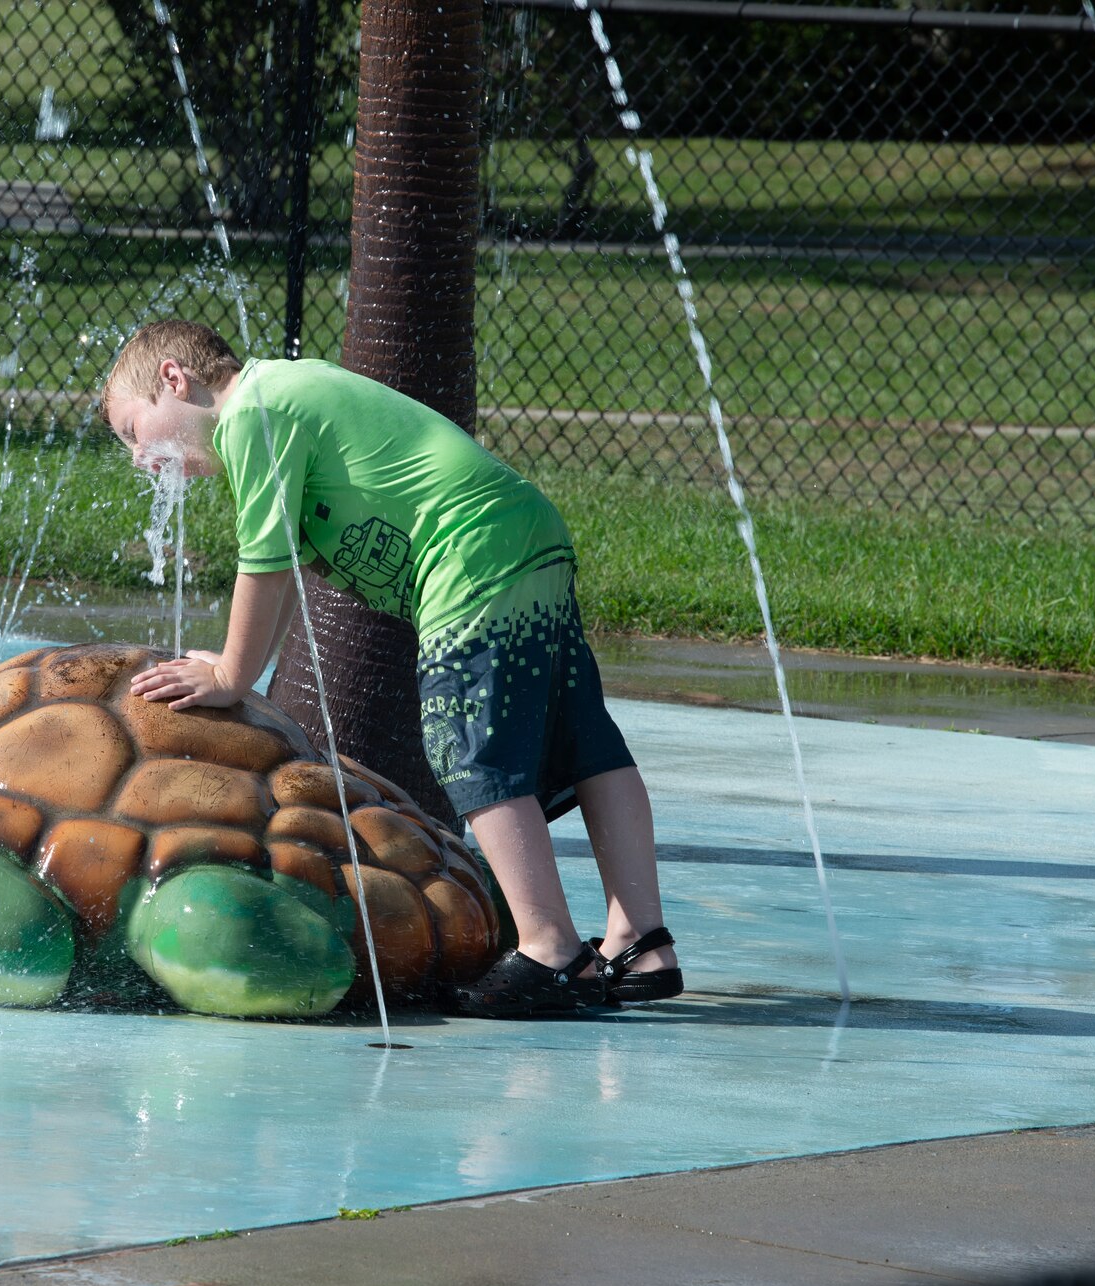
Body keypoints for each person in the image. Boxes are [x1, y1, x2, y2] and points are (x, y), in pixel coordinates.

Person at [102, 321, 680, 1017]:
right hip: (522, 533)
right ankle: (641, 941)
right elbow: (288, 572)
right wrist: (240, 662)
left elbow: (265, 565)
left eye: (134, 430)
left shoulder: (252, 411)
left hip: (468, 555)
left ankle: (550, 948)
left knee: (465, 743)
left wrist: (230, 673)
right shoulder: (279, 403)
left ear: (174, 379)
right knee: (587, 744)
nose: (139, 457)